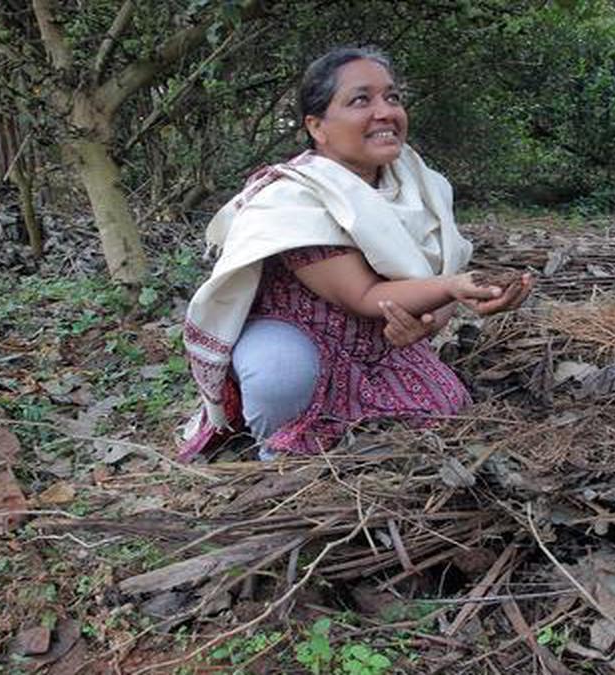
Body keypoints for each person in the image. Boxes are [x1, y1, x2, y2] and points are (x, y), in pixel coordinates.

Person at [181, 46, 531, 460]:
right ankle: (275, 458)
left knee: (448, 416)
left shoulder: (424, 187)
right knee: (280, 378)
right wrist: (454, 288)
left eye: (393, 97)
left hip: (381, 342)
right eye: (361, 100)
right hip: (297, 335)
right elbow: (364, 297)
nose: (385, 112)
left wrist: (430, 319)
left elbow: (438, 274)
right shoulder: (293, 199)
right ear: (317, 126)